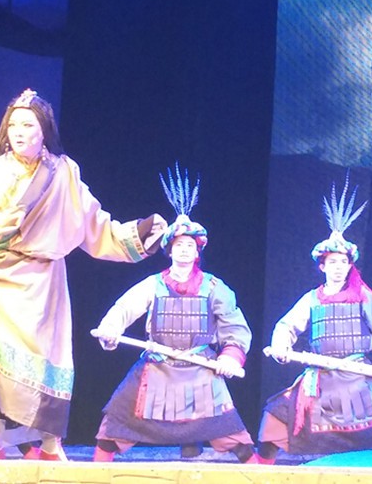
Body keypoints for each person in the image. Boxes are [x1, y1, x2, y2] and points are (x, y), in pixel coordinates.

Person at [0, 88, 167, 459]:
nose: (18, 131)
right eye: (13, 125)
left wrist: (140, 234)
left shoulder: (64, 175)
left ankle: (46, 444)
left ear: (44, 130)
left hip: (44, 285)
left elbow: (96, 228)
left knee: (42, 367)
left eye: (28, 124)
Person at [257, 176, 372, 469]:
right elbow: (286, 326)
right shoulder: (312, 299)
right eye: (333, 262)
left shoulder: (364, 297)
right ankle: (257, 473)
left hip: (357, 382)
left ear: (350, 265)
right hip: (320, 381)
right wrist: (281, 345)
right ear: (322, 266)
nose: (338, 267)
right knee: (275, 416)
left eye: (343, 262)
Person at [92, 165, 257, 463]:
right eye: (178, 245)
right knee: (113, 428)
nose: (183, 250)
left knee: (235, 439)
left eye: (189, 245)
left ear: (197, 251)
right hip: (156, 368)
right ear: (169, 250)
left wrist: (230, 357)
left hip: (201, 370)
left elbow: (234, 326)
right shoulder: (153, 285)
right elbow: (125, 307)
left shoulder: (215, 288)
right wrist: (111, 328)